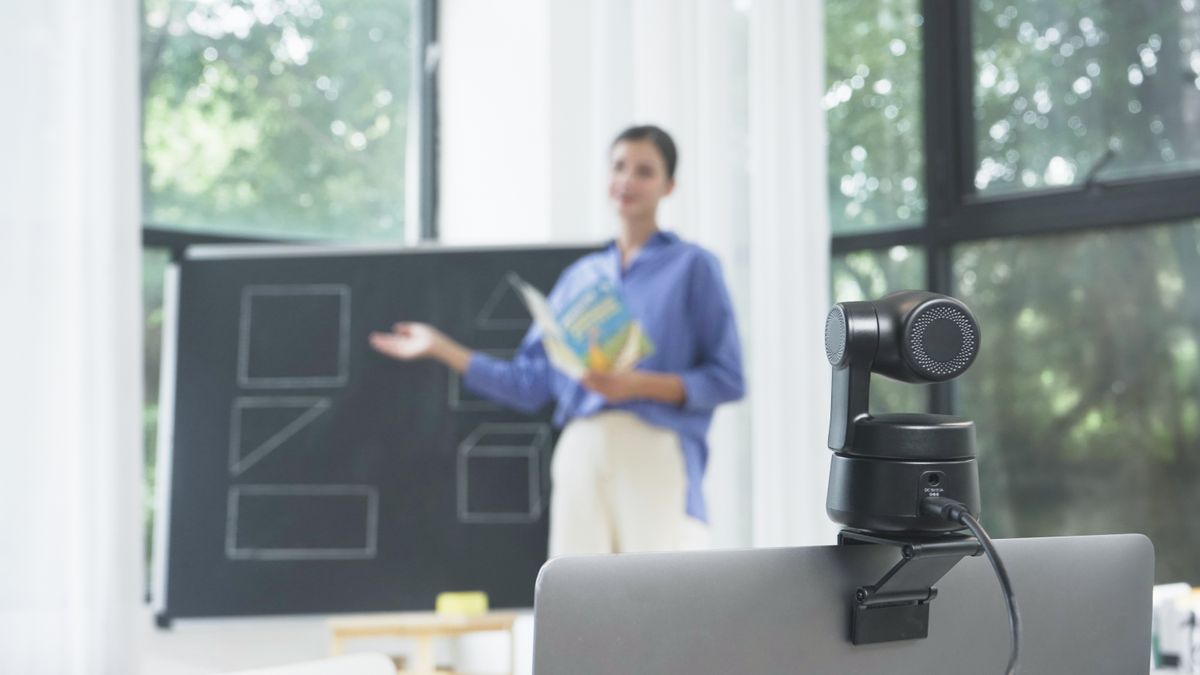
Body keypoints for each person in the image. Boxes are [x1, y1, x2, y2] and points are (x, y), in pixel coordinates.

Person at [369, 125, 744, 556]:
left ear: (668, 186)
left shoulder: (693, 267)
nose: (627, 180)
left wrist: (636, 385)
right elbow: (529, 384)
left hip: (655, 448)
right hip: (581, 448)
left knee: (661, 597)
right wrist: (440, 347)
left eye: (644, 171)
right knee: (580, 599)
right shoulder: (580, 279)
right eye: (619, 166)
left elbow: (727, 377)